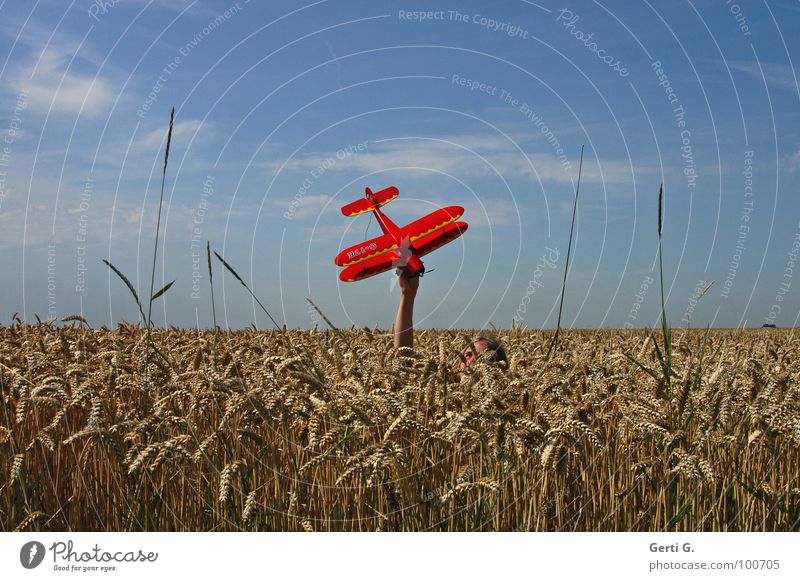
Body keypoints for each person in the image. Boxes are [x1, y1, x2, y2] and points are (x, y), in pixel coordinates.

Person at [393, 268, 508, 367]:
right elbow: (405, 355)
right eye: (467, 355)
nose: (472, 362)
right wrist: (407, 294)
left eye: (482, 359)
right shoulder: (444, 380)